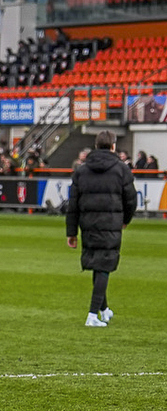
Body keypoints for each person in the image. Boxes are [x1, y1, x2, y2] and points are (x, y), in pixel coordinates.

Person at [66, 130, 136, 327]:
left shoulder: (81, 170)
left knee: (98, 264)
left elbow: (73, 204)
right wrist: (125, 220)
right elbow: (131, 200)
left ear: (96, 146)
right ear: (113, 146)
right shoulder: (122, 169)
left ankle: (104, 310)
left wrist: (71, 232)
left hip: (88, 223)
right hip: (111, 223)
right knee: (104, 265)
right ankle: (92, 314)